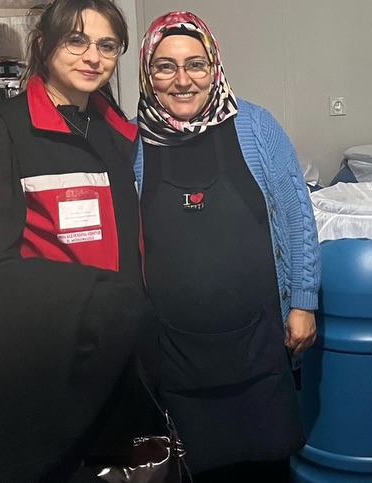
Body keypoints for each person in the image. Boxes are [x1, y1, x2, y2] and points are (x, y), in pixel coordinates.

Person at [0, 0, 157, 480]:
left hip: (113, 359)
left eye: (107, 45)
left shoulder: (117, 132)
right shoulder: (3, 133)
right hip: (45, 364)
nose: (92, 57)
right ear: (43, 44)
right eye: (76, 40)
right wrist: (103, 300)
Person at [136, 11, 320, 481]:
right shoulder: (131, 141)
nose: (183, 80)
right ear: (147, 73)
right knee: (190, 471)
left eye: (195, 64)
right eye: (165, 66)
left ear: (214, 67)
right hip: (174, 356)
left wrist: (303, 301)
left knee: (266, 469)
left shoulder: (256, 126)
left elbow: (298, 215)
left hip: (260, 346)